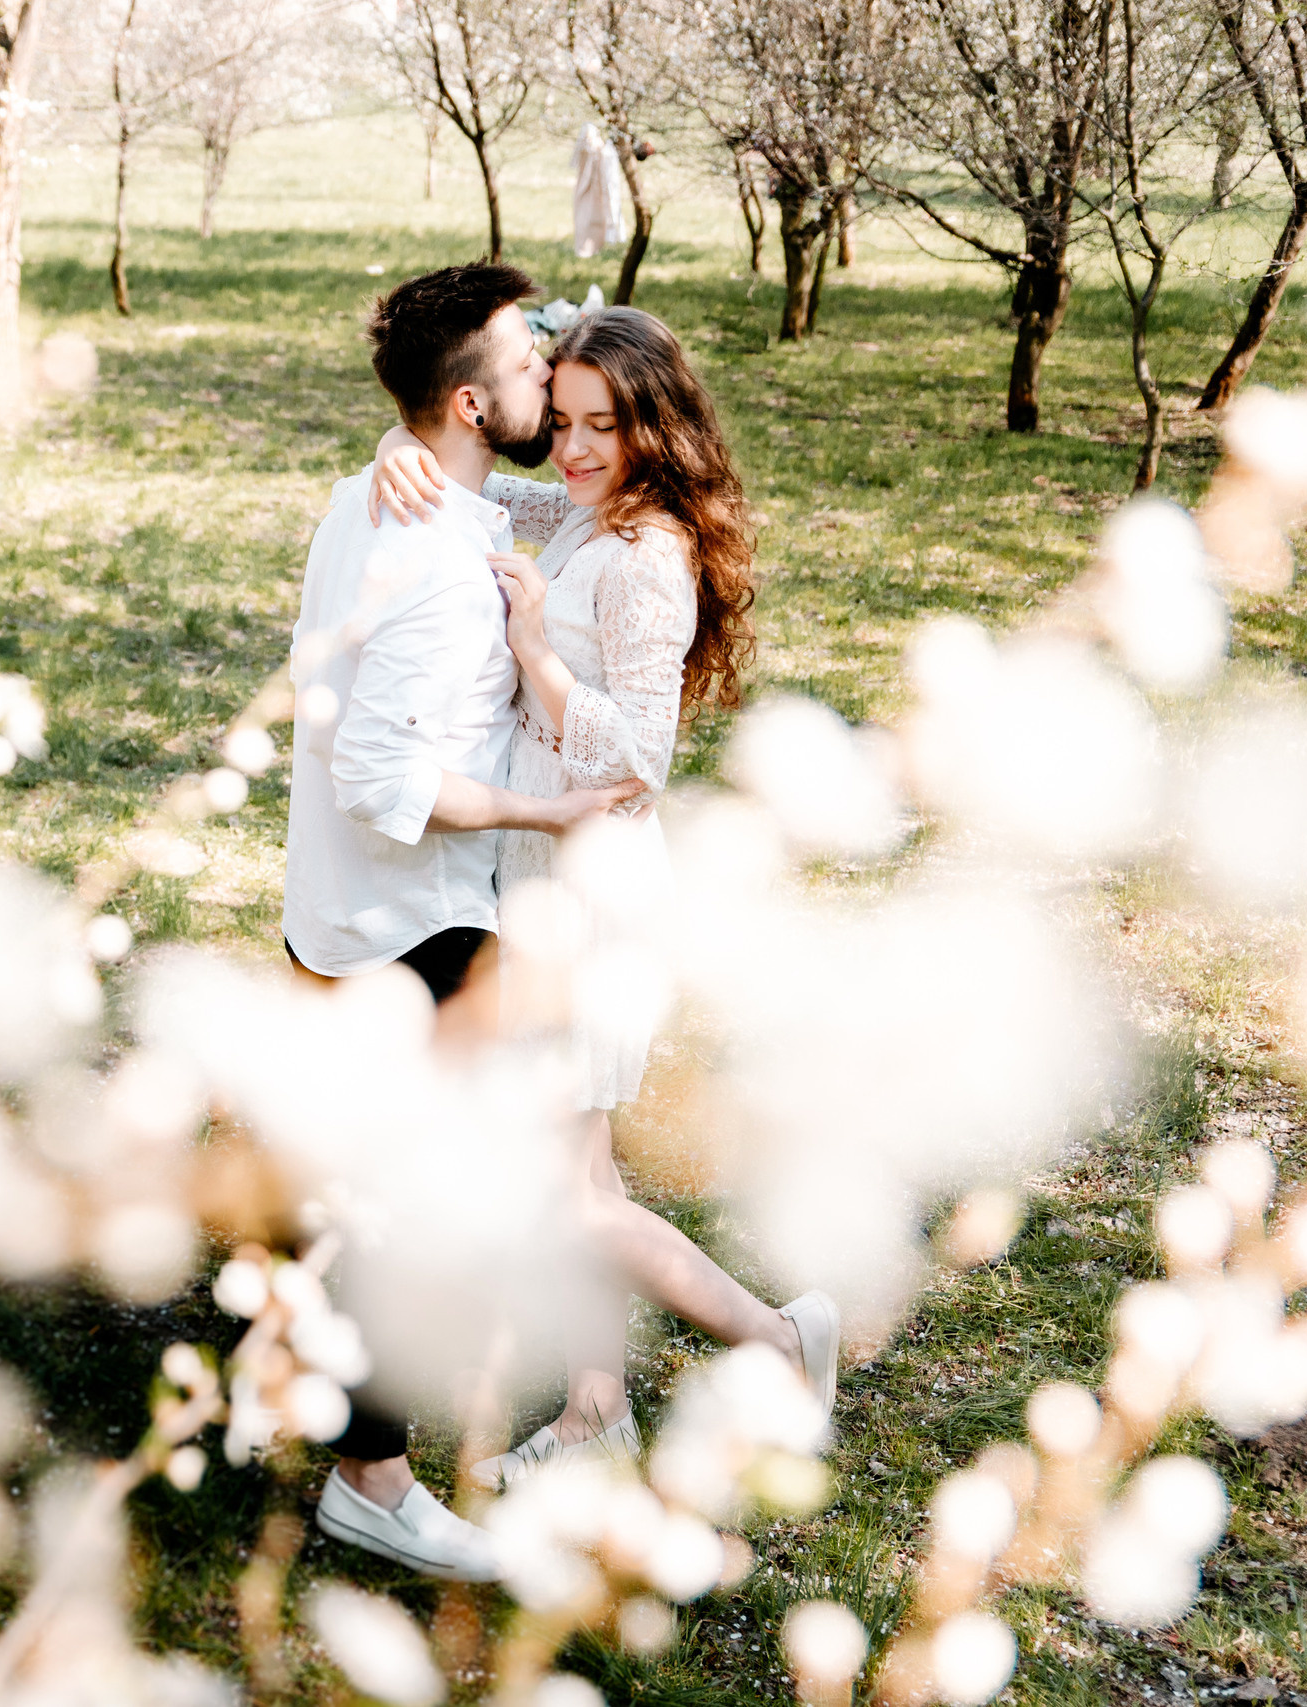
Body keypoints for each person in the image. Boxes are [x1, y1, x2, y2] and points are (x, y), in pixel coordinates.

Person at [367, 305, 841, 1490]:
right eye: (564, 422)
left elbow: (637, 763)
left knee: (568, 1189)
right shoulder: (578, 514)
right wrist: (397, 451)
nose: (573, 449)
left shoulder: (648, 558)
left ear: (655, 429)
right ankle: (596, 1404)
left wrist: (536, 656)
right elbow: (482, 495)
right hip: (537, 873)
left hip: (588, 892)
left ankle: (781, 1344)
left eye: (604, 427)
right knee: (582, 1170)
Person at [284, 261, 640, 1580]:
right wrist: (545, 819)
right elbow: (384, 782)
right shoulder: (433, 555)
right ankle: (372, 1483)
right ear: (468, 401)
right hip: (406, 929)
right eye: (523, 352)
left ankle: (406, 1413)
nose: (547, 363)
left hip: (337, 916)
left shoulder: (380, 499)